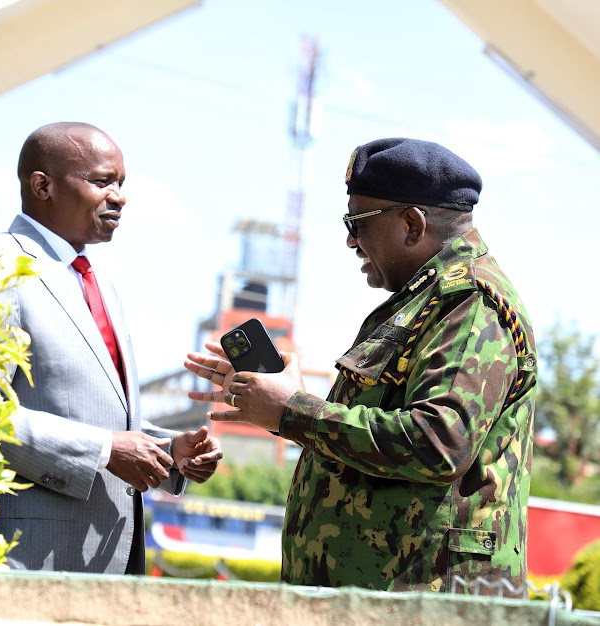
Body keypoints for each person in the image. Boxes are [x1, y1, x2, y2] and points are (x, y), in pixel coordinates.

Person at [185, 138, 537, 594]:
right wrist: (286, 407)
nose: (350, 240)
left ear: (412, 224)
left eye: (357, 223)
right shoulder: (422, 302)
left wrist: (292, 411)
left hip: (424, 602)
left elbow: (439, 442)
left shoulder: (468, 303)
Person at [0, 122, 222, 575]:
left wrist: (169, 449)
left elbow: (100, 420)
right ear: (42, 185)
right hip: (29, 559)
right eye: (102, 181)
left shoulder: (99, 284)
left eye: (121, 184)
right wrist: (103, 449)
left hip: (106, 559)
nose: (119, 197)